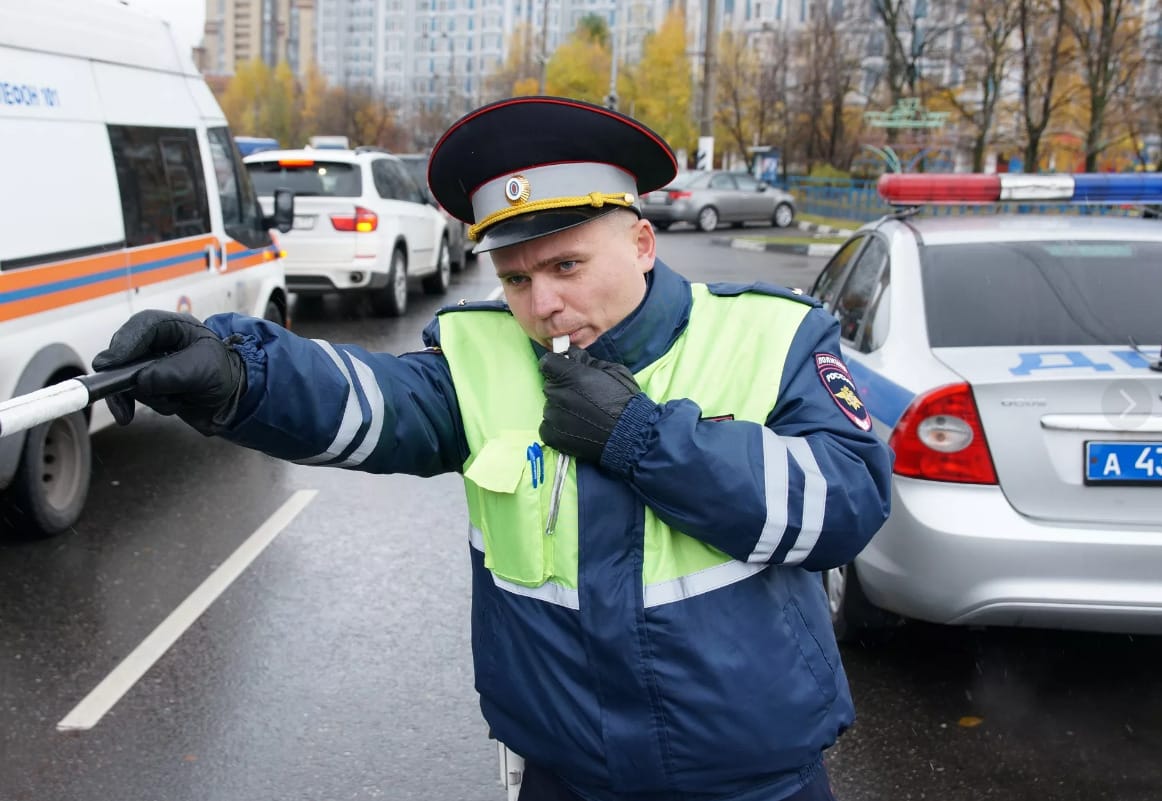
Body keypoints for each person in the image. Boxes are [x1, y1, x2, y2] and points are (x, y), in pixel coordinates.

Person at [93, 97, 892, 801]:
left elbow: (848, 501)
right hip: (565, 776)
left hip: (751, 780)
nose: (543, 306)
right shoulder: (484, 355)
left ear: (643, 243)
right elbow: (367, 399)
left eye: (567, 265)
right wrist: (236, 372)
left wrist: (644, 438)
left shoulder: (771, 334)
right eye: (514, 279)